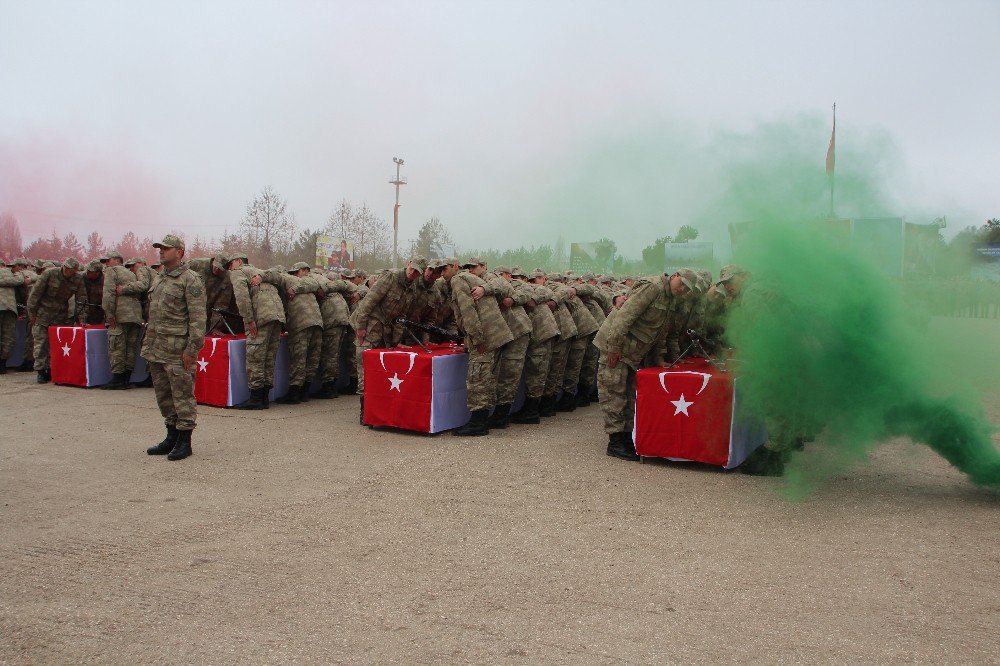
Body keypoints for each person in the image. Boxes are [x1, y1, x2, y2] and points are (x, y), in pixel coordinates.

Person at [593, 269, 702, 461]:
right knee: (613, 392)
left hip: (633, 351)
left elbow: (660, 331)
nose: (682, 290)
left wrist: (659, 358)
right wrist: (614, 347)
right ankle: (615, 442)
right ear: (675, 275)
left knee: (629, 394)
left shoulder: (670, 298)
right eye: (682, 284)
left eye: (687, 289)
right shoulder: (653, 287)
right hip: (617, 347)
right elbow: (625, 316)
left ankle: (626, 436)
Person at [142, 235, 206, 461]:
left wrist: (191, 349)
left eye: (166, 248)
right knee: (164, 395)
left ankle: (184, 441)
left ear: (179, 252)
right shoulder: (160, 278)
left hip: (177, 351)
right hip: (156, 348)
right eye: (160, 248)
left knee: (182, 395)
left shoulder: (190, 280)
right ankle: (171, 436)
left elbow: (198, 319)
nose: (161, 251)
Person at [349, 256, 431, 421]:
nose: (413, 273)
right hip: (369, 324)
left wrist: (395, 342)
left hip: (385, 329)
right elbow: (368, 302)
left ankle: (377, 408)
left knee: (381, 369)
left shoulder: (413, 287)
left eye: (417, 272)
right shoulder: (390, 277)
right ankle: (365, 410)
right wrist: (361, 327)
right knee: (364, 365)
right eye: (412, 269)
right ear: (408, 264)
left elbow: (401, 316)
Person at [449, 257, 514, 436]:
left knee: (478, 378)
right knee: (487, 378)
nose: (471, 270)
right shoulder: (474, 280)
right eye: (468, 267)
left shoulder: (459, 280)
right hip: (496, 335)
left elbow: (468, 312)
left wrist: (477, 339)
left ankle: (478, 423)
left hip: (485, 337)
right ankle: (483, 420)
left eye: (443, 269)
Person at [227, 255, 285, 410]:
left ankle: (256, 398)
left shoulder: (238, 272)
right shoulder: (260, 272)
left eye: (230, 264)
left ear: (239, 261)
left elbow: (242, 297)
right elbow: (280, 278)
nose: (229, 268)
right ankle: (264, 397)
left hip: (261, 316)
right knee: (269, 357)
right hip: (277, 315)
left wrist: (248, 319)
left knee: (255, 356)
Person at [263, 262, 323, 404]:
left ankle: (294, 393)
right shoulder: (309, 281)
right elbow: (316, 284)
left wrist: (260, 276)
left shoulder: (285, 278)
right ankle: (305, 392)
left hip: (300, 322)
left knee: (298, 357)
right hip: (317, 321)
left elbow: (273, 276)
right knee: (312, 358)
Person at [26, 257, 86, 384]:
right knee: (41, 343)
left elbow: (81, 300)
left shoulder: (78, 279)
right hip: (43, 313)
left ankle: (53, 369)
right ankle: (41, 371)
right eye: (68, 269)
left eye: (73, 270)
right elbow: (35, 294)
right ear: (64, 267)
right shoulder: (49, 273)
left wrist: (82, 319)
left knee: (58, 345)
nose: (70, 272)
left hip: (61, 315)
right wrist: (32, 313)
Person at [101, 255, 149, 389]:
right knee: (130, 347)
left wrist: (109, 313)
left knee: (116, 346)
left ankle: (117, 379)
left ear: (116, 260)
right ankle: (126, 379)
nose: (106, 264)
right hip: (135, 315)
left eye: (108, 261)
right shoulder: (132, 274)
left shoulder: (112, 271)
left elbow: (108, 293)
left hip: (120, 314)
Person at [0, 262, 30, 373]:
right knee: (8, 336)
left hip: (8, 308)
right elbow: (21, 281)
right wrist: (17, 274)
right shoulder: (15, 275)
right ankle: (2, 364)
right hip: (10, 308)